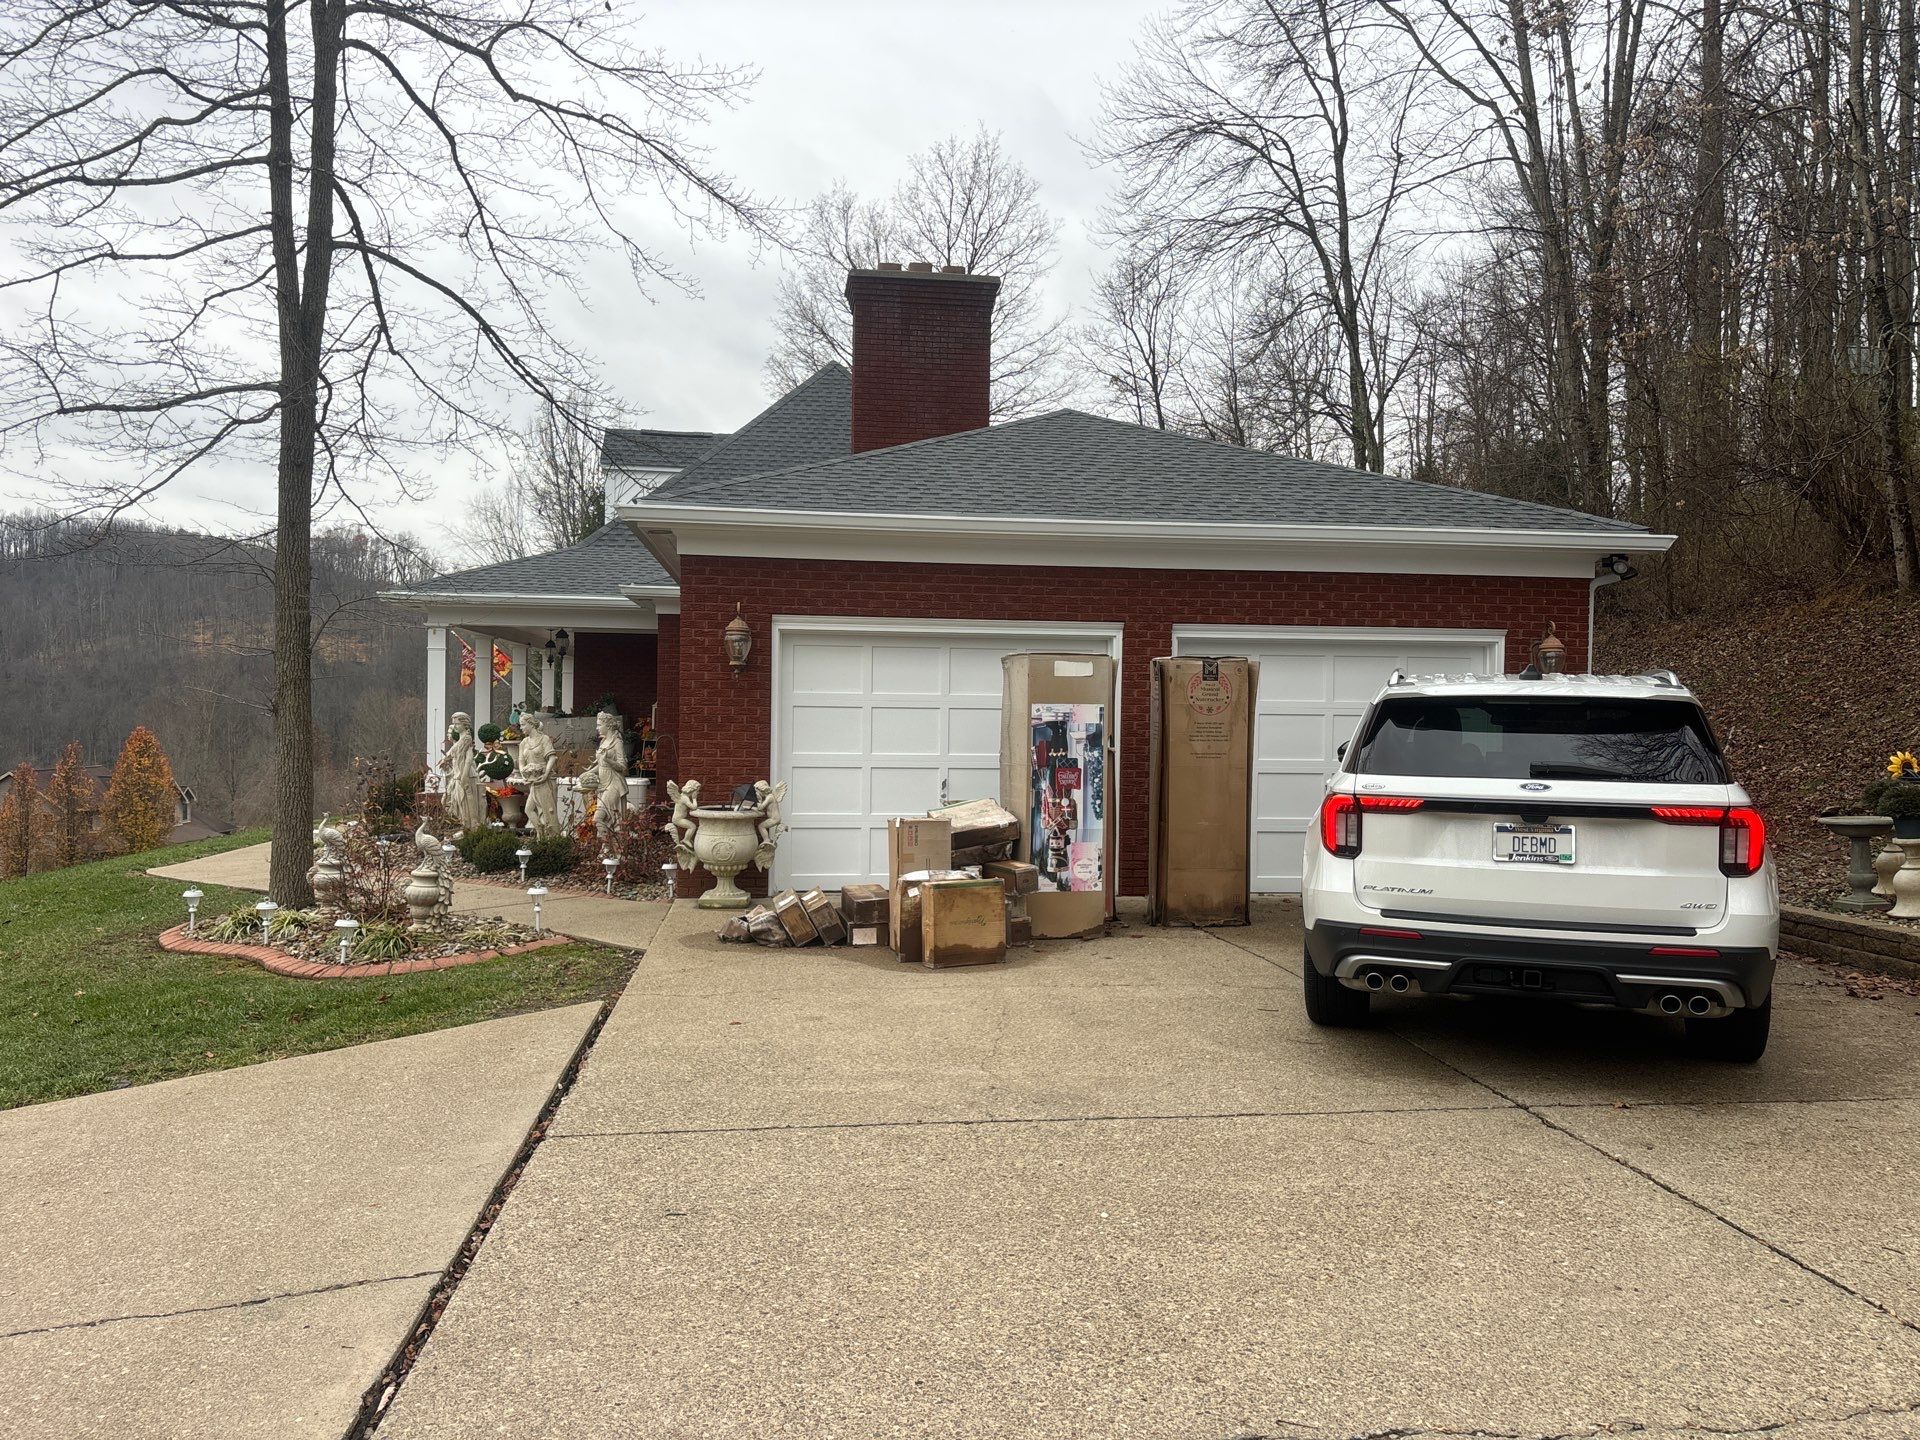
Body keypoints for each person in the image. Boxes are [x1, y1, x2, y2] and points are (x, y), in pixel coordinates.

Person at [513, 712, 561, 839]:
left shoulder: (543, 739)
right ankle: (540, 832)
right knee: (528, 810)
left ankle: (551, 838)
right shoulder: (523, 742)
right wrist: (524, 774)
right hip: (533, 780)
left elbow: (552, 758)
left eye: (523, 725)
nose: (521, 728)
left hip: (544, 780)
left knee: (548, 811)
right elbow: (521, 762)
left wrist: (545, 774)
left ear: (530, 724)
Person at [440, 712, 486, 831]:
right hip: (458, 774)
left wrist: (464, 775)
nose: (455, 727)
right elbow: (453, 752)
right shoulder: (461, 738)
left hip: (466, 775)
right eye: (454, 724)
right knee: (459, 802)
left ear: (464, 724)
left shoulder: (466, 738)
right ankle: (465, 827)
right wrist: (446, 758)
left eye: (457, 724)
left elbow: (469, 759)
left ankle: (471, 827)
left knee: (465, 801)